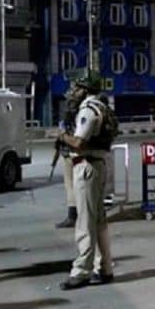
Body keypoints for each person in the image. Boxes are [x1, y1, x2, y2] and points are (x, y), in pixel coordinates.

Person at [57, 73, 118, 290]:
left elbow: (78, 142)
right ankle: (105, 268)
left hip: (87, 166)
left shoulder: (88, 110)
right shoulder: (100, 106)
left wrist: (62, 135)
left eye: (76, 86)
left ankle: (81, 270)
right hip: (97, 164)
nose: (73, 90)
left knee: (85, 222)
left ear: (85, 88)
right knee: (99, 221)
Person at [55, 84, 86, 229]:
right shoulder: (85, 108)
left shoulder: (73, 109)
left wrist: (62, 136)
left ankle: (73, 215)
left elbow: (65, 128)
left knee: (71, 184)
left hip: (71, 149)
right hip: (80, 150)